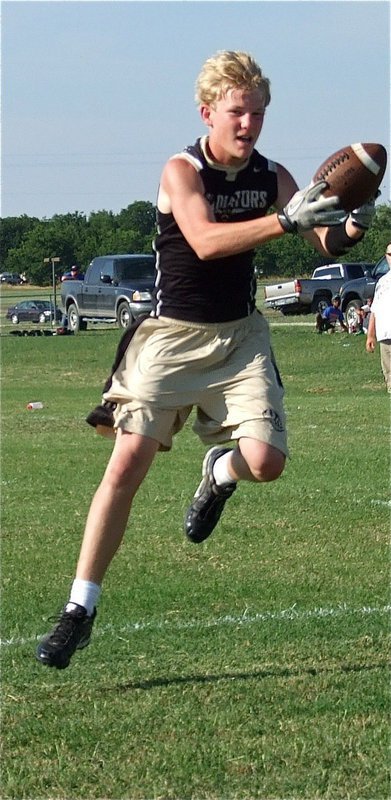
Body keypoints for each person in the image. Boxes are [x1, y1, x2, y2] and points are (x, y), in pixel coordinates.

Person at [36, 50, 374, 670]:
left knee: (267, 463)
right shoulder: (181, 170)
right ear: (207, 112)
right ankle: (78, 609)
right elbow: (206, 241)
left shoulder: (272, 175)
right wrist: (283, 220)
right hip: (171, 337)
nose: (248, 124)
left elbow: (320, 238)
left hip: (241, 337)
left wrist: (353, 225)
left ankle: (220, 472)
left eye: (258, 113)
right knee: (126, 465)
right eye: (237, 111)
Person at [366, 243, 391, 392]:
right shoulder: (382, 282)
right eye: (390, 255)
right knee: (389, 378)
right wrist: (370, 335)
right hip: (385, 337)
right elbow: (375, 310)